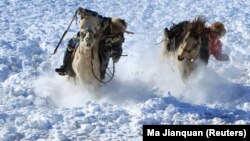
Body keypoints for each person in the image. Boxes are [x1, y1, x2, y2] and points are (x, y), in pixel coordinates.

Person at [55, 8, 127, 80]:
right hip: (90, 35)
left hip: (102, 44)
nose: (116, 30)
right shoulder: (106, 22)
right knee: (71, 43)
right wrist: (84, 11)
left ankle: (101, 73)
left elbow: (118, 49)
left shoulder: (119, 37)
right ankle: (65, 67)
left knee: (106, 52)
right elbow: (95, 16)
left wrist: (115, 53)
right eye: (115, 27)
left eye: (119, 30)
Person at [164, 20, 229, 62]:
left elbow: (217, 55)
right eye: (218, 33)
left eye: (222, 33)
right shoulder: (204, 32)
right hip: (191, 48)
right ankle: (171, 35)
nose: (220, 36)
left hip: (199, 58)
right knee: (186, 24)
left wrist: (223, 57)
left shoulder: (217, 45)